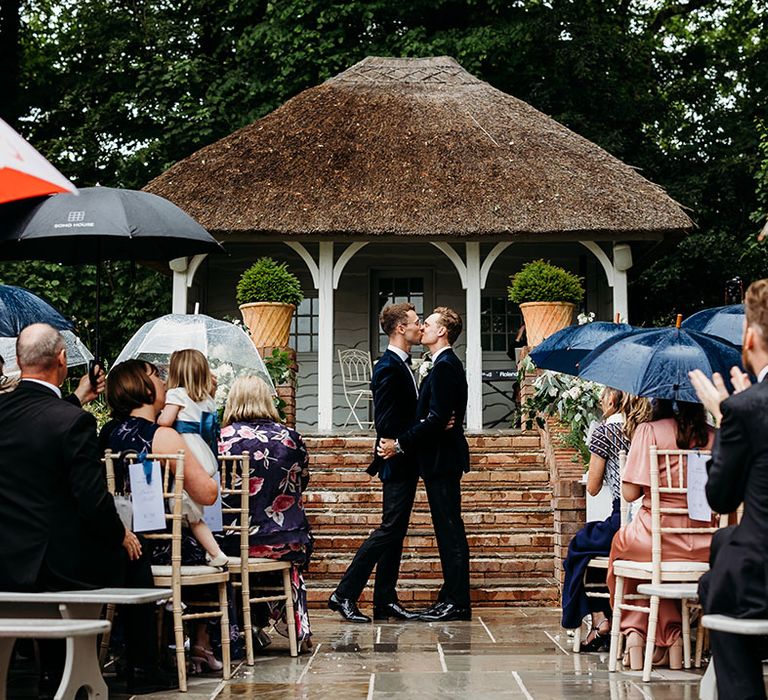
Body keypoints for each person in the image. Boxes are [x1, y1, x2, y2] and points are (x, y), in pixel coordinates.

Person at [0, 324, 173, 694]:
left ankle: (49, 669)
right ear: (62, 360)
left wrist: (79, 396)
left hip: (5, 559)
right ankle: (142, 666)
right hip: (55, 565)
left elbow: (37, 419)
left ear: (18, 361)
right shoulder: (72, 422)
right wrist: (120, 534)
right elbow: (93, 502)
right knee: (134, 555)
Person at [105, 359, 222, 672]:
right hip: (160, 546)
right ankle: (201, 644)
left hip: (114, 542)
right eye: (155, 376)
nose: (164, 381)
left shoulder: (106, 433)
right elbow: (208, 494)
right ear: (142, 387)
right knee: (216, 549)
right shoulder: (163, 436)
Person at [690, 278, 768, 700]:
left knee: (721, 578)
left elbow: (720, 498)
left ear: (750, 337)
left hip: (758, 577)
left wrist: (725, 419)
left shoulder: (747, 406)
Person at [329, 303, 422, 623]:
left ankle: (385, 599)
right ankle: (344, 594)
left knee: (395, 531)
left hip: (405, 458)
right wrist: (394, 444)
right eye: (414, 321)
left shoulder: (403, 364)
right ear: (400, 328)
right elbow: (383, 417)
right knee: (388, 529)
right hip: (395, 457)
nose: (418, 325)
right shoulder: (387, 366)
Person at [607, 398, 714, 671]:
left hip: (655, 538)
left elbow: (629, 494)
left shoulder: (649, 431)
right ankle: (672, 639)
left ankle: (635, 635)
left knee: (624, 550)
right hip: (706, 544)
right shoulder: (715, 437)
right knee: (655, 567)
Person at [379, 306, 471, 622]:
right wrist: (431, 419)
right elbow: (433, 416)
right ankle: (449, 596)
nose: (423, 328)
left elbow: (438, 418)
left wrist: (402, 442)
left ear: (442, 331)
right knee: (446, 529)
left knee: (450, 530)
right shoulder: (438, 364)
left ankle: (457, 602)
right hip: (435, 457)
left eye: (428, 324)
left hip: (443, 458)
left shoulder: (445, 366)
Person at [218, 375, 313, 647]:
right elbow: (302, 482)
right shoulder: (290, 438)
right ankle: (285, 622)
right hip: (284, 539)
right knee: (282, 548)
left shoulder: (220, 439)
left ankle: (245, 626)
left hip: (232, 540)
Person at [561, 391, 650, 650]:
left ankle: (600, 618)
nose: (601, 400)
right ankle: (607, 616)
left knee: (579, 548)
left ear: (613, 399)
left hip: (622, 520)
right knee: (594, 546)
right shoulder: (646, 431)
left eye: (604, 394)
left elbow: (592, 487)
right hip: (648, 518)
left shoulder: (605, 432)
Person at [157, 348, 227, 567]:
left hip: (187, 454)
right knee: (193, 513)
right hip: (204, 455)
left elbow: (165, 422)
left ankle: (214, 553)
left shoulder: (176, 394)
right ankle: (209, 551)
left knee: (190, 514)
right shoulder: (207, 399)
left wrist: (159, 415)